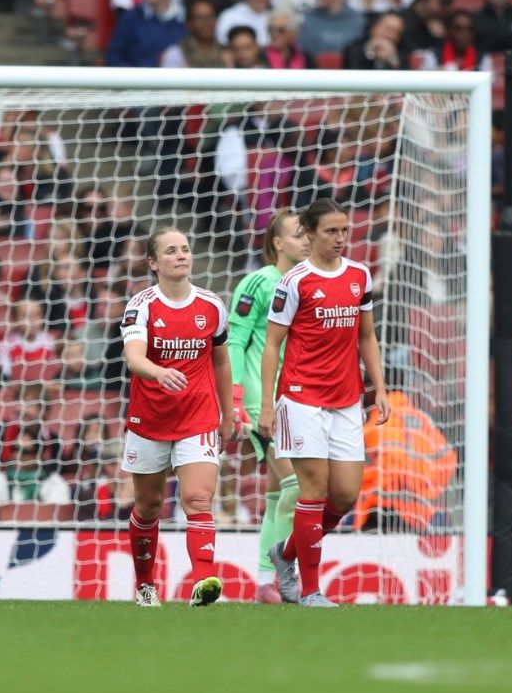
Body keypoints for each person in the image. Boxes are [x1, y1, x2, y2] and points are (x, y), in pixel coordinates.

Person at [260, 198, 389, 607]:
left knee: (347, 494)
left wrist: (380, 389)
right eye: (331, 231)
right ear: (311, 234)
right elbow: (273, 345)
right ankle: (311, 590)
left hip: (346, 399)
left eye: (344, 231)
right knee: (312, 490)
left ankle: (286, 553)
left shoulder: (359, 275)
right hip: (301, 398)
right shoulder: (294, 281)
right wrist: (266, 404)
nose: (340, 238)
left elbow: (366, 336)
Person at [117, 225, 240, 607]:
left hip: (199, 416)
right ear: (153, 263)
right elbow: (134, 357)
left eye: (185, 249)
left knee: (198, 499)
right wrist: (158, 372)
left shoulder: (211, 305)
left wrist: (227, 411)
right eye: (170, 251)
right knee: (148, 507)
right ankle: (145, 585)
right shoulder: (142, 304)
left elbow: (221, 360)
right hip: (150, 418)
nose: (181, 255)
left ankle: (204, 582)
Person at [229, 212, 310, 602]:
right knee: (297, 486)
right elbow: (234, 341)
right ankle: (286, 572)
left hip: (298, 400)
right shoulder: (258, 283)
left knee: (279, 495)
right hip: (265, 402)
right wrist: (236, 399)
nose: (306, 240)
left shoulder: (309, 283)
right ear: (277, 242)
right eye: (298, 235)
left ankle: (266, 581)